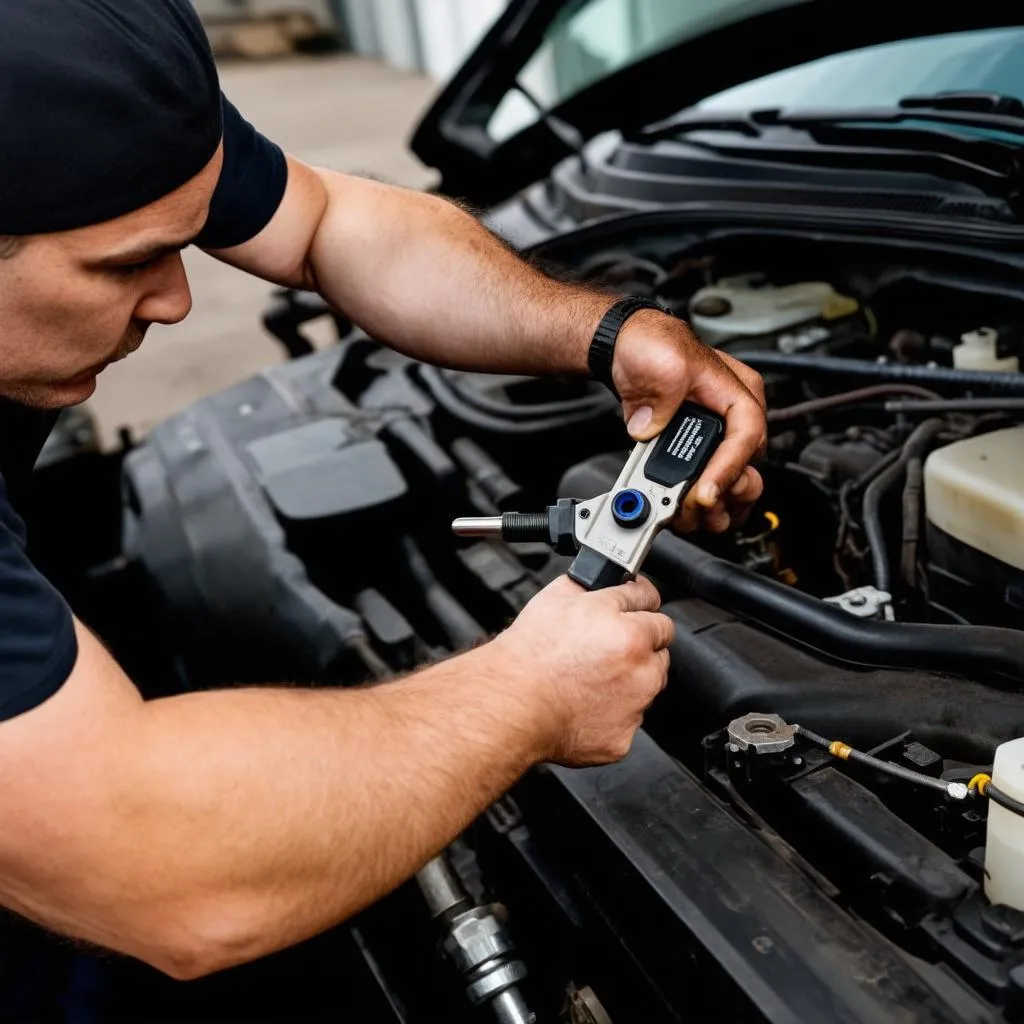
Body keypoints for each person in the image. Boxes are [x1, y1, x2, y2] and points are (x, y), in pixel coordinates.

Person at [0, 0, 766, 982]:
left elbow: (324, 222)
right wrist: (524, 694)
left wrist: (612, 332)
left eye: (182, 244)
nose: (178, 300)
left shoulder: (79, 82)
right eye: (125, 265)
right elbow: (161, 871)